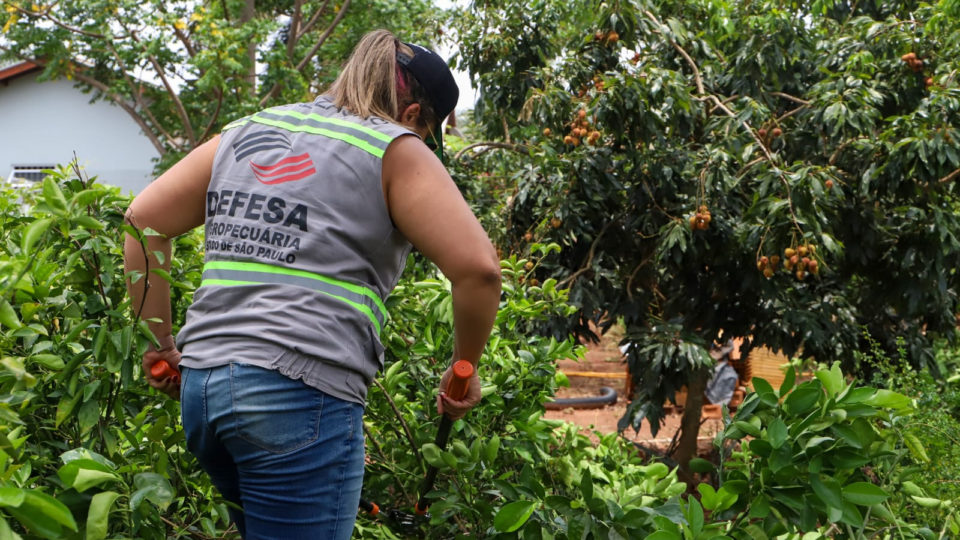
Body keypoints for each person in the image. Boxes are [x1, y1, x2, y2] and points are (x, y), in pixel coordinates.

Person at [123, 29, 501, 540]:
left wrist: (160, 344)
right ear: (413, 115)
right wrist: (464, 367)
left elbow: (143, 220)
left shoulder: (249, 128)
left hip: (203, 388)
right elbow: (479, 270)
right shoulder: (394, 146)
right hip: (296, 394)